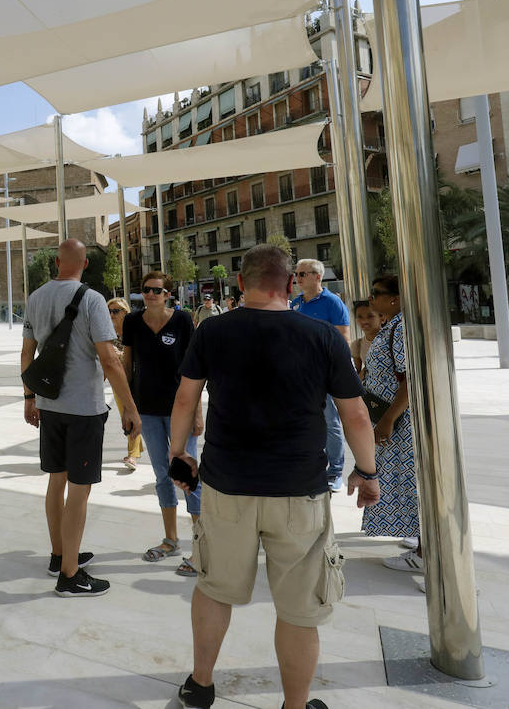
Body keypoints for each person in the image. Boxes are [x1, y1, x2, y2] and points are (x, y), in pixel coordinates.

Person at [169, 244, 379, 709]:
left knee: (214, 588)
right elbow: (356, 415)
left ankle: (201, 684)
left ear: (240, 284)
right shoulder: (323, 336)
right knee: (300, 609)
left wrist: (179, 455)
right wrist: (367, 472)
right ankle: (295, 705)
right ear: (290, 285)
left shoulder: (212, 331)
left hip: (227, 488)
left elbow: (185, 400)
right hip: (299, 491)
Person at [22, 239, 141, 597]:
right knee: (80, 490)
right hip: (83, 409)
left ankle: (60, 555)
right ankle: (71, 576)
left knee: (55, 482)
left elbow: (28, 353)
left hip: (50, 404)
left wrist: (30, 398)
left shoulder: (36, 297)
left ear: (56, 262)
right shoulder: (92, 299)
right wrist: (130, 407)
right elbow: (109, 359)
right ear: (86, 263)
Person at [121, 271, 200, 576]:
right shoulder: (131, 322)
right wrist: (128, 409)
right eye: (146, 290)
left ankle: (201, 546)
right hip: (147, 409)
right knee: (161, 475)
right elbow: (127, 365)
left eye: (157, 290)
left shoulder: (182, 321)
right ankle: (171, 540)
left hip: (181, 408)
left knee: (187, 475)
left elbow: (195, 368)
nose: (151, 295)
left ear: (168, 294)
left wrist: (197, 412)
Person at [362, 274, 421, 571]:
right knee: (404, 481)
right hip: (395, 418)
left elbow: (409, 379)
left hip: (401, 422)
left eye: (376, 294)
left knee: (410, 482)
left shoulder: (400, 328)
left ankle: (424, 551)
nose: (371, 299)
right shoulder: (395, 326)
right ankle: (419, 541)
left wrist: (387, 419)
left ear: (394, 298)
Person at [289, 259, 351, 494]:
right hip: (300, 374)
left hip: (324, 373)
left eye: (303, 274)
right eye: (296, 274)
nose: (298, 278)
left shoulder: (332, 303)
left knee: (331, 422)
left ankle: (335, 471)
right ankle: (312, 466)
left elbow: (343, 339)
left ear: (317, 276)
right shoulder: (295, 304)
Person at [106, 297, 145, 471]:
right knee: (127, 413)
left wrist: (119, 355)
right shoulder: (106, 333)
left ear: (125, 312)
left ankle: (133, 455)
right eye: (109, 311)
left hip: (136, 378)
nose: (111, 314)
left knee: (131, 414)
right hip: (118, 381)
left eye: (116, 311)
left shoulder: (134, 331)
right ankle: (135, 449)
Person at [350, 300, 382, 377]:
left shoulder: (391, 341)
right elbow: (357, 374)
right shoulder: (357, 345)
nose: (364, 321)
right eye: (360, 317)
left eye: (370, 316)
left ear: (382, 317)